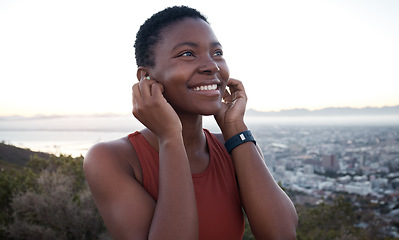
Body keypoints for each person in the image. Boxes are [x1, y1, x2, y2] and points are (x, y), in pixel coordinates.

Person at [83, 6, 297, 240]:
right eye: (187, 54)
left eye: (217, 53)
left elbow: (281, 234)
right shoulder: (111, 159)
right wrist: (170, 137)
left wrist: (235, 126)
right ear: (146, 77)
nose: (212, 66)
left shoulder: (234, 146)